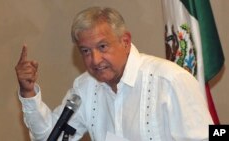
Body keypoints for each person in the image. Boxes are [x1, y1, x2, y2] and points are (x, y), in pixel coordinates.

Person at [15, 7, 213, 141]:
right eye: (85, 51)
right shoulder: (85, 87)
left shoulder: (170, 80)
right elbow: (51, 137)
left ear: (125, 41)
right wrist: (28, 92)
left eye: (102, 46)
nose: (95, 59)